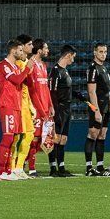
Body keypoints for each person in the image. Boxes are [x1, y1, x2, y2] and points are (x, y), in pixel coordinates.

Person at [0, 39, 34, 181]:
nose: (22, 53)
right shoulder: (3, 65)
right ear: (13, 51)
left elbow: (27, 82)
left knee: (12, 140)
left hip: (16, 106)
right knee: (8, 137)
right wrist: (27, 68)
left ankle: (8, 170)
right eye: (20, 50)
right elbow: (17, 81)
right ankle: (1, 172)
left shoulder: (17, 67)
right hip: (7, 105)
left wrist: (28, 70)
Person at [85, 43, 110, 176]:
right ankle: (89, 168)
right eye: (100, 51)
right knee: (93, 134)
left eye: (105, 52)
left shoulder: (103, 68)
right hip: (97, 107)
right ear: (95, 52)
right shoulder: (93, 69)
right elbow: (91, 92)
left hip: (105, 107)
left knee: (102, 135)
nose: (103, 54)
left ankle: (99, 166)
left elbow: (107, 92)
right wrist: (96, 111)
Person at [24, 39, 53, 177]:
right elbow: (32, 90)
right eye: (46, 48)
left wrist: (50, 105)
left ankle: (24, 162)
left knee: (40, 140)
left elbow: (45, 88)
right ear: (39, 49)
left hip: (45, 108)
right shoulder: (31, 65)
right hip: (35, 109)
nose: (48, 51)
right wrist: (40, 110)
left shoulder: (43, 65)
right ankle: (31, 168)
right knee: (33, 139)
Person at [48, 44, 78, 177]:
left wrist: (80, 96)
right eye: (73, 57)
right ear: (67, 55)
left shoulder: (65, 71)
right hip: (59, 108)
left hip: (67, 108)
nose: (73, 60)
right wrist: (54, 109)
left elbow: (67, 89)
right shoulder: (55, 71)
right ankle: (53, 168)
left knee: (63, 139)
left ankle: (61, 167)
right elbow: (52, 92)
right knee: (56, 138)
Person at [11, 34, 36, 180]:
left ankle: (19, 167)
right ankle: (12, 168)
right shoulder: (19, 64)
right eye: (30, 44)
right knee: (17, 137)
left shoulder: (27, 62)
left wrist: (32, 105)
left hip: (26, 104)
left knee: (29, 135)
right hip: (18, 104)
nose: (32, 47)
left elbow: (30, 87)